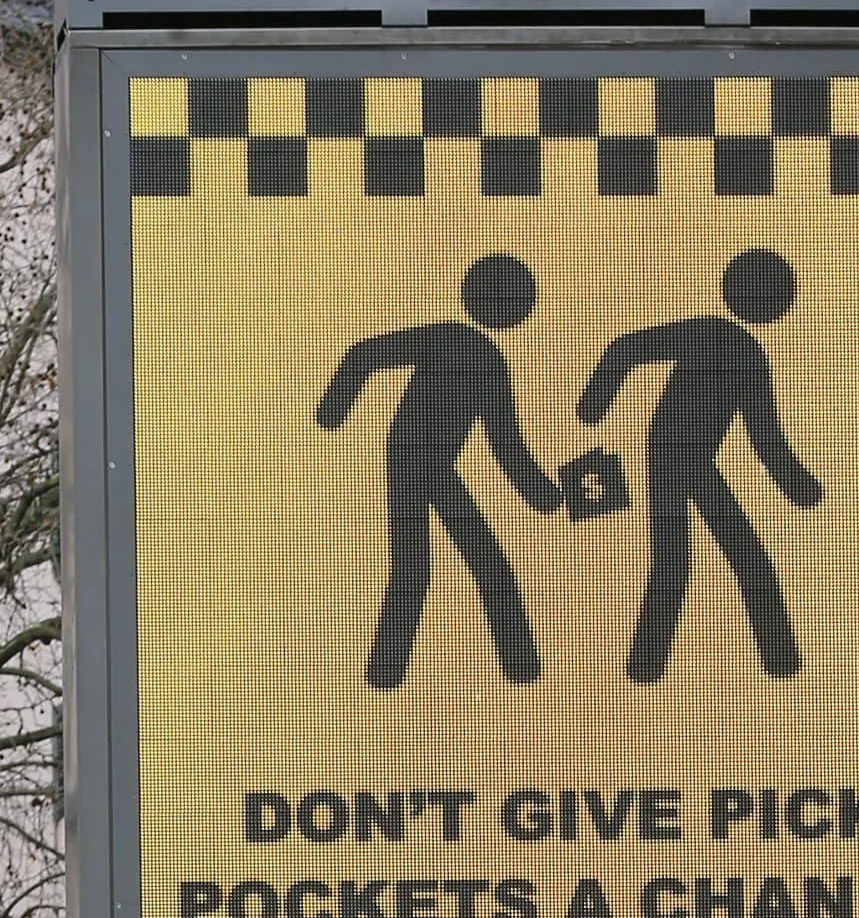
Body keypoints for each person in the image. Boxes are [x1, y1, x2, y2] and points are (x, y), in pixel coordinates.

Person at [579, 248, 824, 684]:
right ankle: (778, 660)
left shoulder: (733, 347)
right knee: (738, 561)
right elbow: (765, 438)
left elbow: (626, 349)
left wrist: (593, 406)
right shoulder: (740, 350)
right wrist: (799, 487)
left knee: (678, 564)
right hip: (679, 457)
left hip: (676, 457)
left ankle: (645, 667)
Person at [318, 254, 562, 689]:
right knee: (484, 567)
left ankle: (385, 673)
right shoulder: (485, 360)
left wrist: (334, 410)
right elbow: (505, 446)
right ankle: (521, 669)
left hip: (410, 459)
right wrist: (544, 496)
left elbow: (366, 354)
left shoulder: (457, 343)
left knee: (417, 569)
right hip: (425, 463)